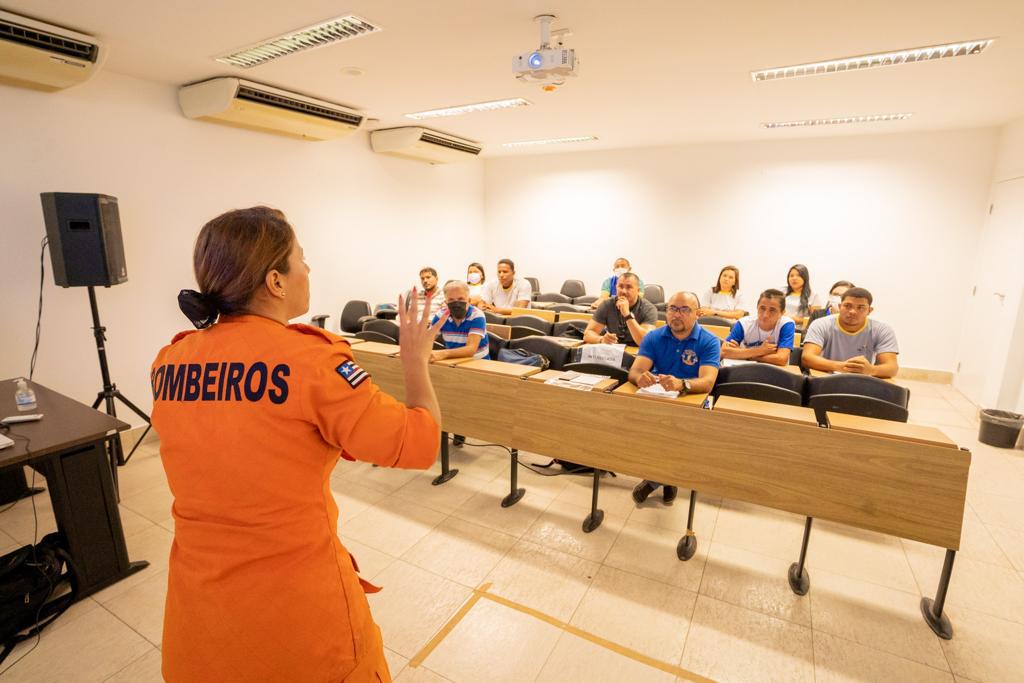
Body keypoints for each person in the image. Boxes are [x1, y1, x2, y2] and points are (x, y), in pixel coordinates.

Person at [151, 206, 446, 681]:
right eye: (301, 259)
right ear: (276, 282)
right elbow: (418, 442)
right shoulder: (310, 361)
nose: (309, 270)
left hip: (200, 610)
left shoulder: (170, 361)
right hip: (297, 614)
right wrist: (415, 361)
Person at [628, 292, 720, 505]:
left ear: (697, 314)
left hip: (691, 405)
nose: (676, 314)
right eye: (672, 308)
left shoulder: (709, 341)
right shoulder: (653, 337)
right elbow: (634, 372)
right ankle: (666, 480)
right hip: (657, 401)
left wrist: (683, 384)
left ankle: (653, 482)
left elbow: (707, 382)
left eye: (684, 309)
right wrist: (641, 378)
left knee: (676, 436)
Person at [801, 286, 899, 378]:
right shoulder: (821, 324)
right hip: (824, 378)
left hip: (862, 381)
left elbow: (892, 367)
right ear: (840, 307)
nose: (852, 311)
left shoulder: (882, 330)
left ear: (869, 310)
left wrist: (870, 370)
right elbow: (807, 358)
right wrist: (842, 367)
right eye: (847, 306)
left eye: (860, 307)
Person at [720, 289, 795, 367]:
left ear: (782, 313)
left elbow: (781, 359)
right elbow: (724, 352)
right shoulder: (743, 323)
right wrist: (761, 351)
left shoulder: (786, 324)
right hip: (744, 370)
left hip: (774, 372)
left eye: (772, 310)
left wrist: (741, 353)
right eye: (762, 308)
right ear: (757, 307)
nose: (765, 315)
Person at [583, 272, 657, 346]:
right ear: (616, 287)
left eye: (629, 287)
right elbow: (588, 334)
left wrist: (627, 315)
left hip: (637, 352)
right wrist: (601, 339)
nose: (623, 291)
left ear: (638, 291)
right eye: (620, 286)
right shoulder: (607, 304)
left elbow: (645, 342)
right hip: (614, 351)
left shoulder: (649, 309)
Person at [431, 280, 489, 361]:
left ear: (469, 301)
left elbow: (470, 350)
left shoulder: (477, 316)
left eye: (461, 299)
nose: (456, 303)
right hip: (452, 362)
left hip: (478, 363)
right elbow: (427, 340)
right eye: (451, 300)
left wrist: (443, 353)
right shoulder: (440, 316)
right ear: (446, 302)